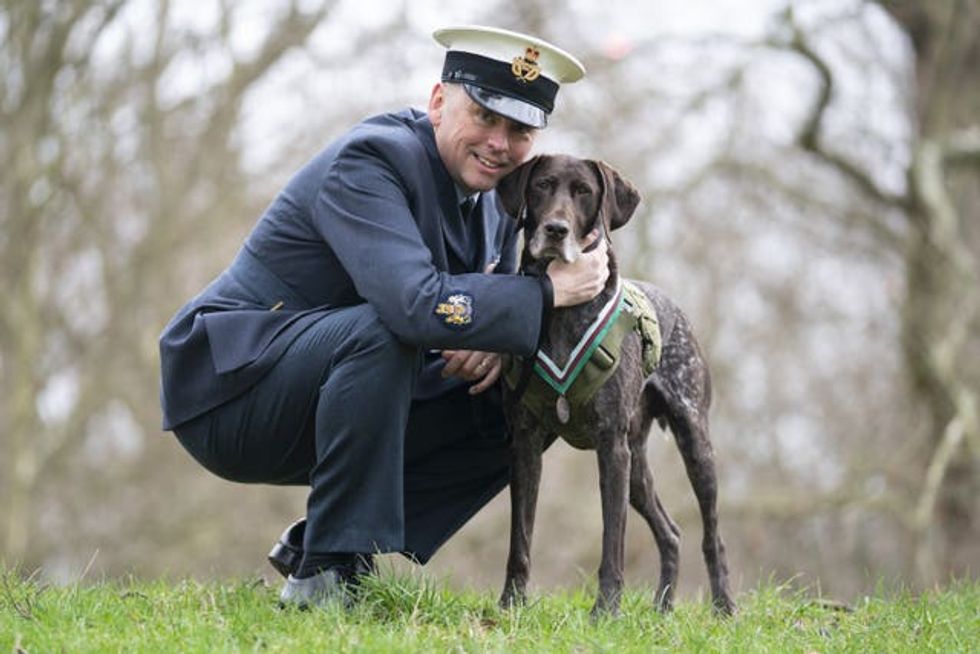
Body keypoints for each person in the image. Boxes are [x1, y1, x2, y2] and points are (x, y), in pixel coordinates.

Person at [158, 25, 608, 608]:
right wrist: (542, 296)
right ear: (439, 102)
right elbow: (413, 306)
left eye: (519, 129)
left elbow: (468, 310)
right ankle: (326, 573)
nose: (500, 143)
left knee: (525, 395)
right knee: (384, 328)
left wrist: (500, 337)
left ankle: (324, 541)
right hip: (230, 392)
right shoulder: (372, 160)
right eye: (485, 117)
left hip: (341, 397)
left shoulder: (501, 202)